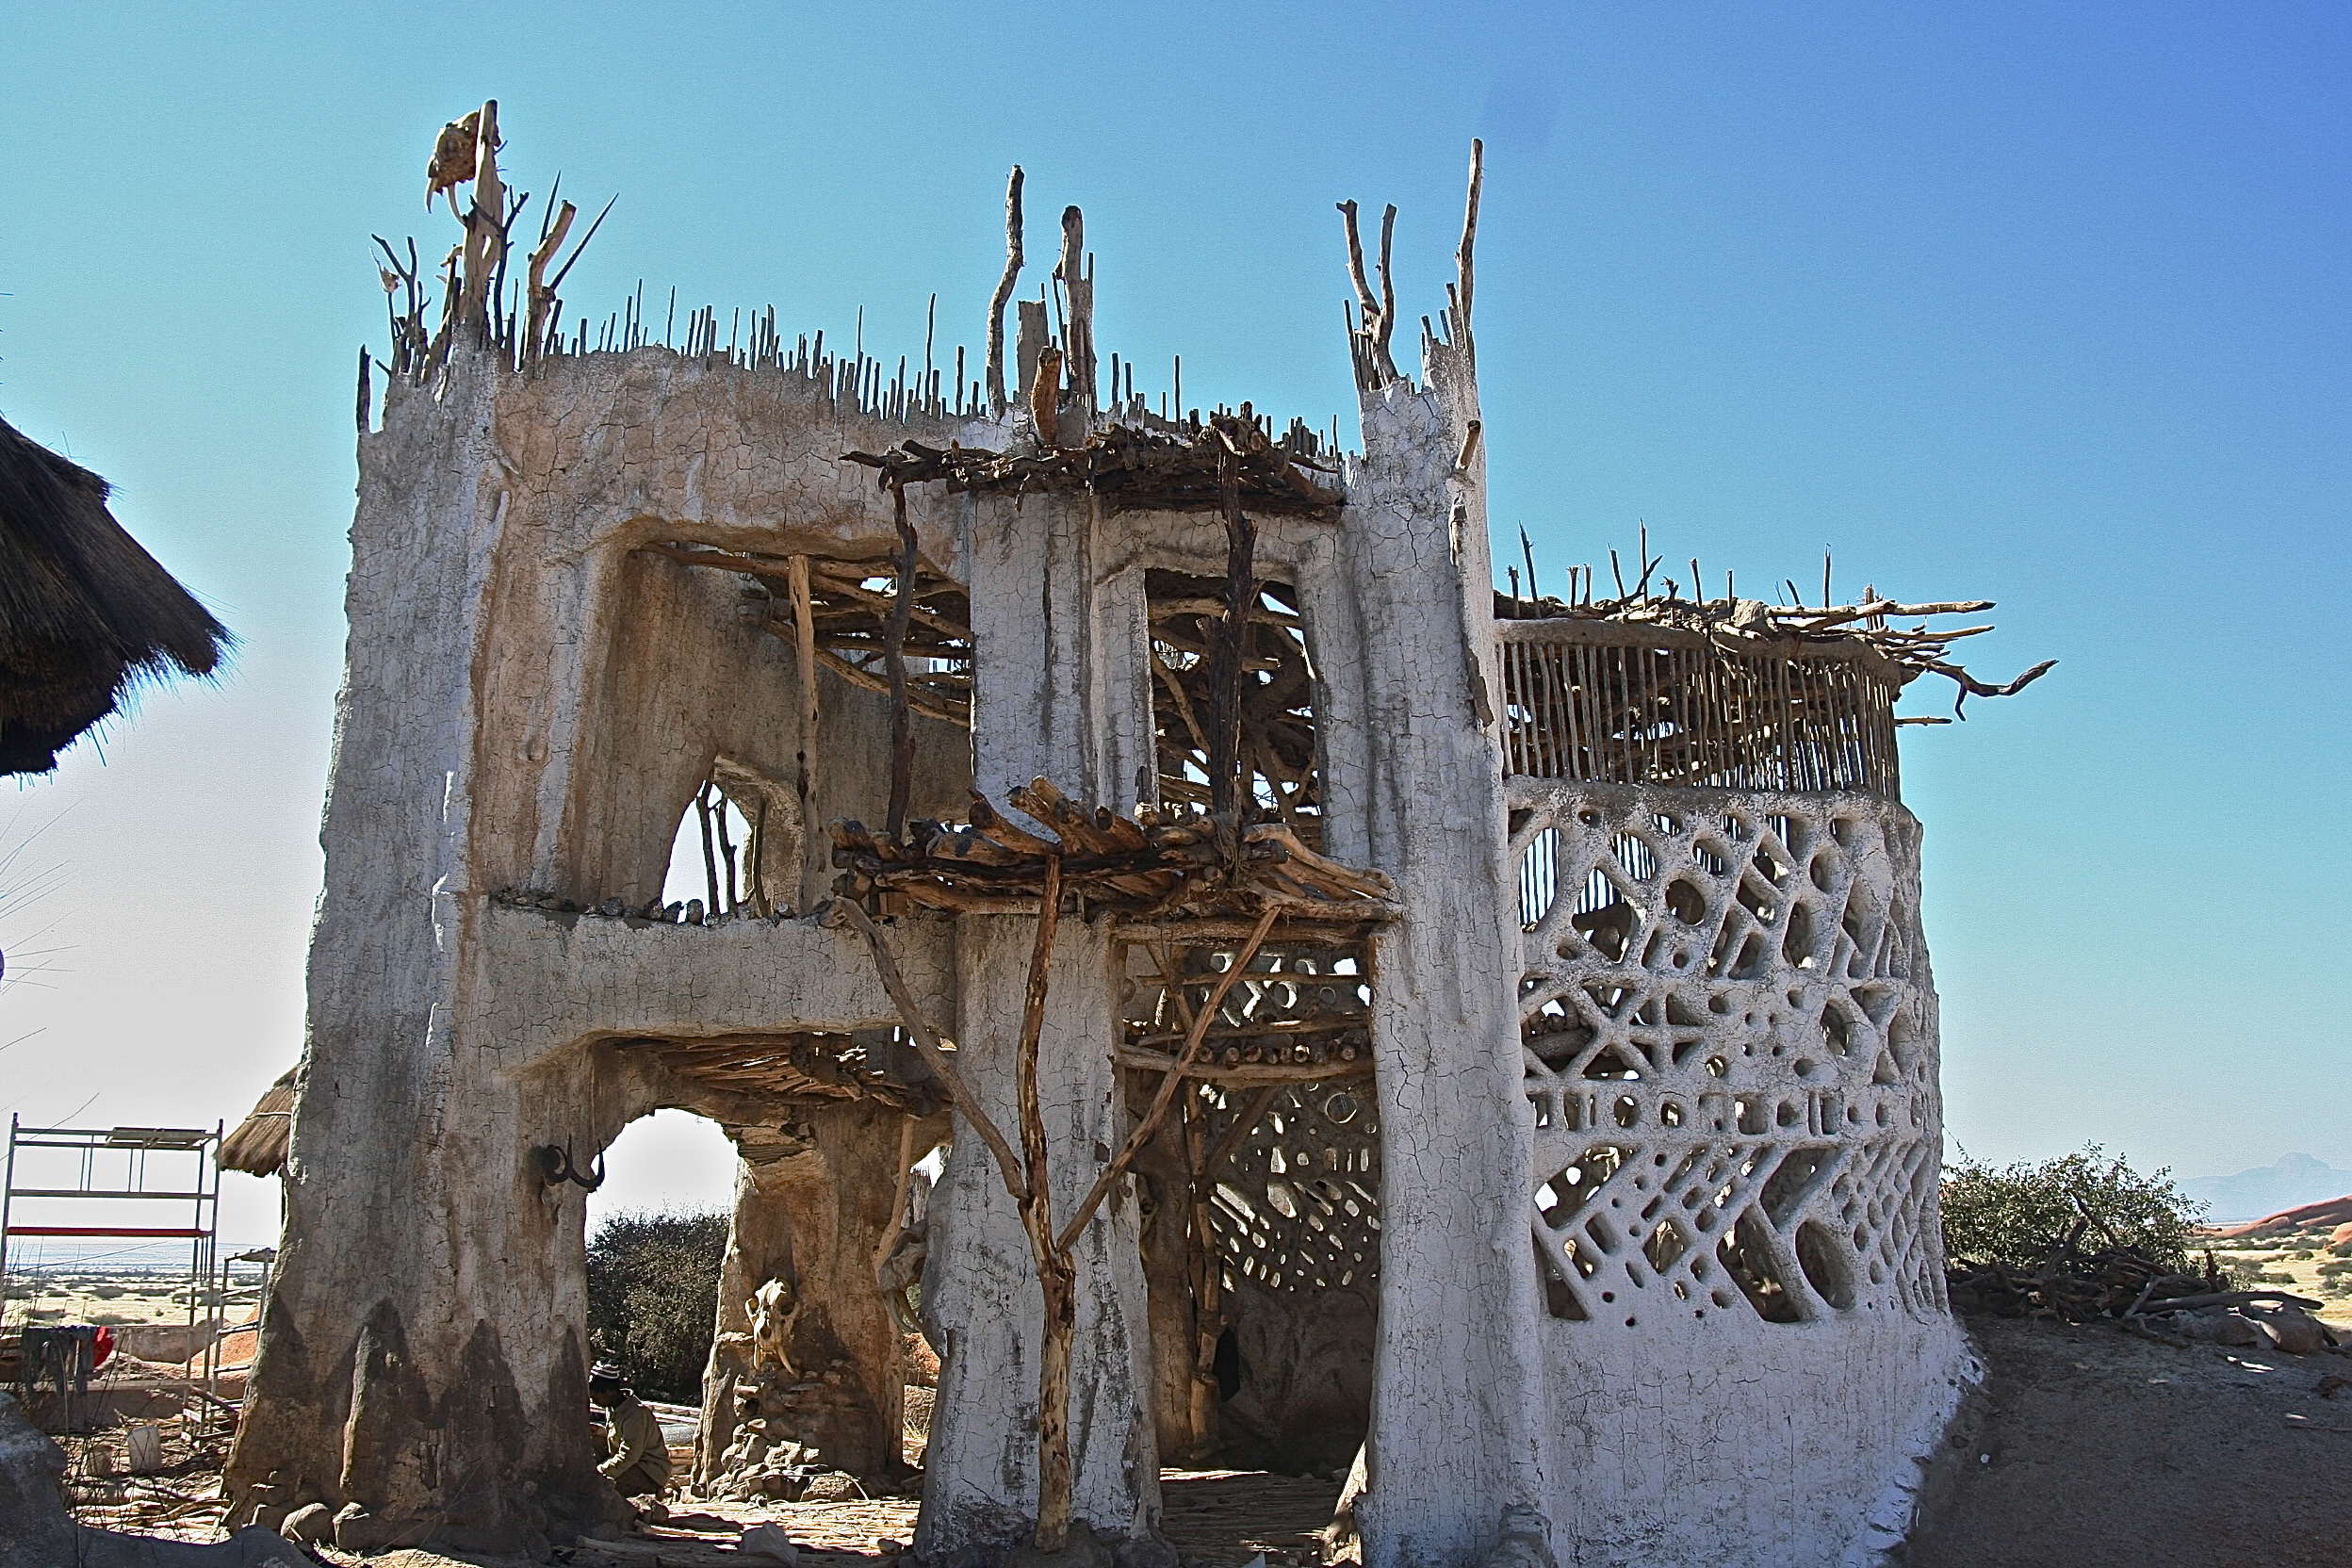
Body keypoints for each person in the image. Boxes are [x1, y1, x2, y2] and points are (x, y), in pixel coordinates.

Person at [589, 1362, 673, 1523]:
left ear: (609, 1392)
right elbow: (620, 1437)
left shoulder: (635, 1414)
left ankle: (646, 1494)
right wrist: (599, 1432)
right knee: (593, 1440)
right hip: (633, 1464)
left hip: (647, 1472)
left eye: (596, 1397)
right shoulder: (614, 1408)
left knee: (600, 1487)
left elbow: (629, 1455)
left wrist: (598, 1473)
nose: (595, 1402)